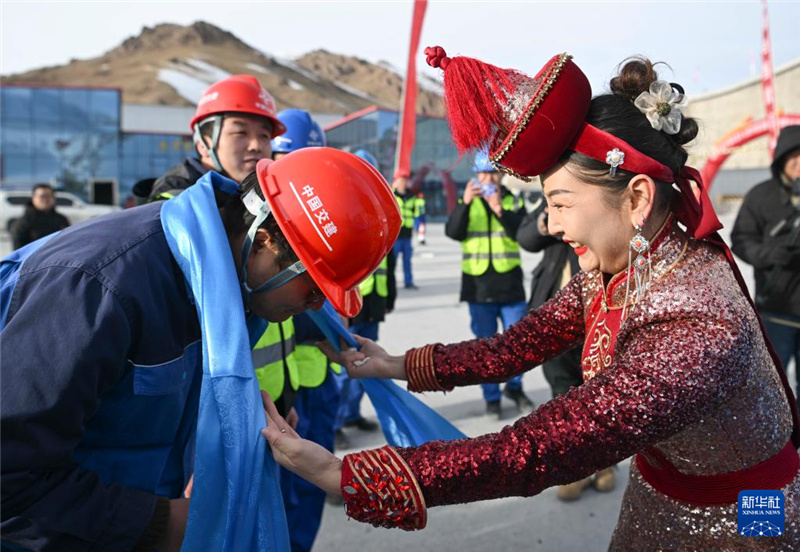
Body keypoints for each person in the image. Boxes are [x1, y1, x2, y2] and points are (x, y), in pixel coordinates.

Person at [263, 48, 800, 551]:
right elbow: (521, 344)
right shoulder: (629, 264)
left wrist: (345, 475)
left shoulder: (697, 325)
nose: (553, 223)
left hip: (742, 513)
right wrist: (397, 363)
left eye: (561, 203)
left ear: (636, 197)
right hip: (662, 488)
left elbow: (540, 448)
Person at [1, 148, 400, 552]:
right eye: (314, 287)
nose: (317, 306)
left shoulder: (226, 282)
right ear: (263, 241)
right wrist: (159, 525)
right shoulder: (98, 288)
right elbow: (10, 476)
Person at [518, 199, 616, 500]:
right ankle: (574, 467)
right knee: (562, 395)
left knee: (600, 394)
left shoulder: (595, 198)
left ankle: (605, 464)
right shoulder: (549, 203)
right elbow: (526, 238)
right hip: (553, 314)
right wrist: (544, 222)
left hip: (598, 312)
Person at [445, 149, 533, 418]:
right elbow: (453, 232)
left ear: (500, 175)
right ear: (475, 176)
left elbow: (522, 234)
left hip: (509, 283)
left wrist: (498, 209)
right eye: (482, 174)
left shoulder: (511, 200)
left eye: (492, 174)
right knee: (483, 345)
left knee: (517, 341)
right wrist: (464, 203)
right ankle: (491, 397)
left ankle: (514, 388)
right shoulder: (468, 201)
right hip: (479, 285)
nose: (488, 180)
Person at [732, 125, 800, 397]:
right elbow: (741, 238)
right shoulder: (761, 195)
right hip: (775, 311)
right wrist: (769, 255)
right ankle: (783, 440)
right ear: (782, 160)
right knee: (774, 386)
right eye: (794, 158)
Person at [335, 149, 396, 443]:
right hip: (347, 307)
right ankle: (336, 424)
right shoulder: (342, 212)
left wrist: (389, 297)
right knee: (341, 366)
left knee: (363, 366)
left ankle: (351, 414)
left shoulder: (379, 214)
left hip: (372, 305)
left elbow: (388, 263)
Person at [148, 75, 284, 201]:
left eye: (264, 136)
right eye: (241, 132)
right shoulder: (175, 194)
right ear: (204, 144)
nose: (256, 145)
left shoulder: (265, 195)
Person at [10, 183, 70, 250]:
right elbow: (18, 253)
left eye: (49, 196)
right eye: (42, 196)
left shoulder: (61, 220)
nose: (46, 199)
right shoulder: (22, 223)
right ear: (33, 198)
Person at [392, 171, 419, 289]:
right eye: (400, 181)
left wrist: (418, 228)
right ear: (396, 182)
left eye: (404, 181)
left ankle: (409, 282)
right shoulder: (391, 195)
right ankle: (390, 283)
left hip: (407, 235)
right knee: (392, 262)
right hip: (396, 237)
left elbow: (416, 213)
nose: (402, 183)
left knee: (407, 261)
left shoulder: (412, 197)